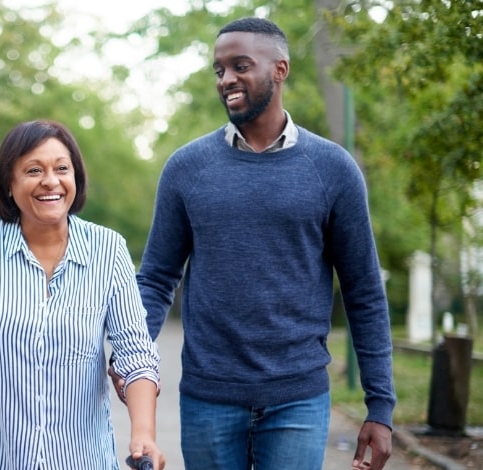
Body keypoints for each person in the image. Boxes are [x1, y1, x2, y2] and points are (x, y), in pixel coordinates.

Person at [110, 17, 396, 470]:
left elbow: (363, 292)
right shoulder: (186, 168)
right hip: (208, 397)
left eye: (240, 66)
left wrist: (380, 406)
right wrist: (133, 354)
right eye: (219, 70)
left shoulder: (333, 169)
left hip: (298, 399)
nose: (226, 80)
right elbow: (158, 277)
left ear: (280, 69)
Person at [0, 119, 166, 469]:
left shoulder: (108, 249)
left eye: (61, 168)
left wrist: (143, 433)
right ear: (9, 184)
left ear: (76, 179)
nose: (51, 181)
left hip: (82, 459)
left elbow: (136, 353)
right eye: (33, 170)